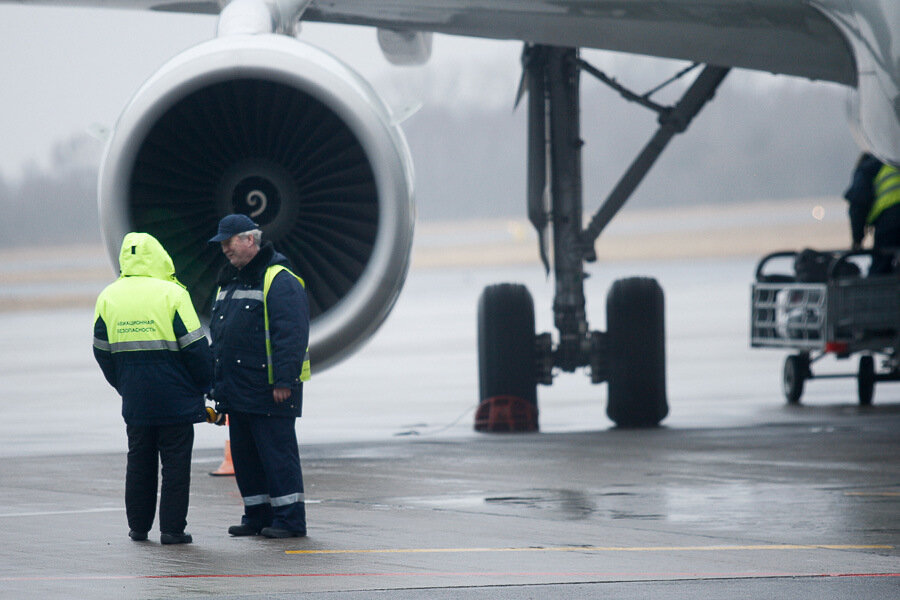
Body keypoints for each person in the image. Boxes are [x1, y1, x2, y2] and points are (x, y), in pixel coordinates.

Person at [93, 232, 213, 545]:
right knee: (174, 466)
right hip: (176, 398)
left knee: (139, 462)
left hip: (136, 398)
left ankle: (138, 527)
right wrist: (206, 385)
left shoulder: (108, 296)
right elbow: (196, 348)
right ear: (159, 256)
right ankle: (172, 530)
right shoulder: (172, 294)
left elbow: (101, 350)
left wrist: (123, 384)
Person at [208, 214, 311, 539]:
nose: (225, 249)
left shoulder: (279, 279)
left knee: (277, 457)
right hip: (238, 391)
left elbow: (291, 335)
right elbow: (222, 337)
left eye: (230, 242)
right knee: (247, 459)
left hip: (269, 391)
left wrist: (284, 381)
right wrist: (218, 387)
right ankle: (257, 515)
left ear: (250, 240)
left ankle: (290, 520)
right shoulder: (230, 281)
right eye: (222, 244)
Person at [844, 152, 900, 274]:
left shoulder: (868, 168)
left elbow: (858, 204)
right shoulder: (893, 164)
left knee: (880, 269)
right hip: (892, 219)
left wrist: (857, 239)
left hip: (891, 221)